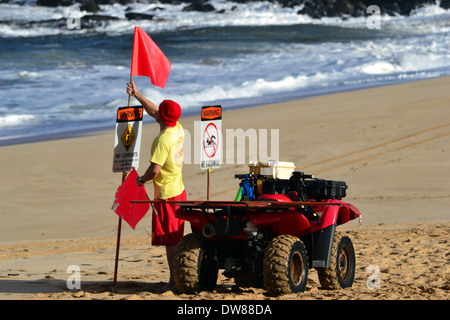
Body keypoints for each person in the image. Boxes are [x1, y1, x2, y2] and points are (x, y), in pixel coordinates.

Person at [126, 81, 186, 291]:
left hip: (167, 195)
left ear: (163, 117)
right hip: (179, 190)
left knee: (171, 241)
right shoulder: (178, 128)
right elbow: (154, 112)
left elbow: (154, 170)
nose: (156, 112)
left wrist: (141, 180)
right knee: (175, 238)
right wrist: (137, 94)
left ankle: (174, 281)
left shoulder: (163, 140)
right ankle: (176, 278)